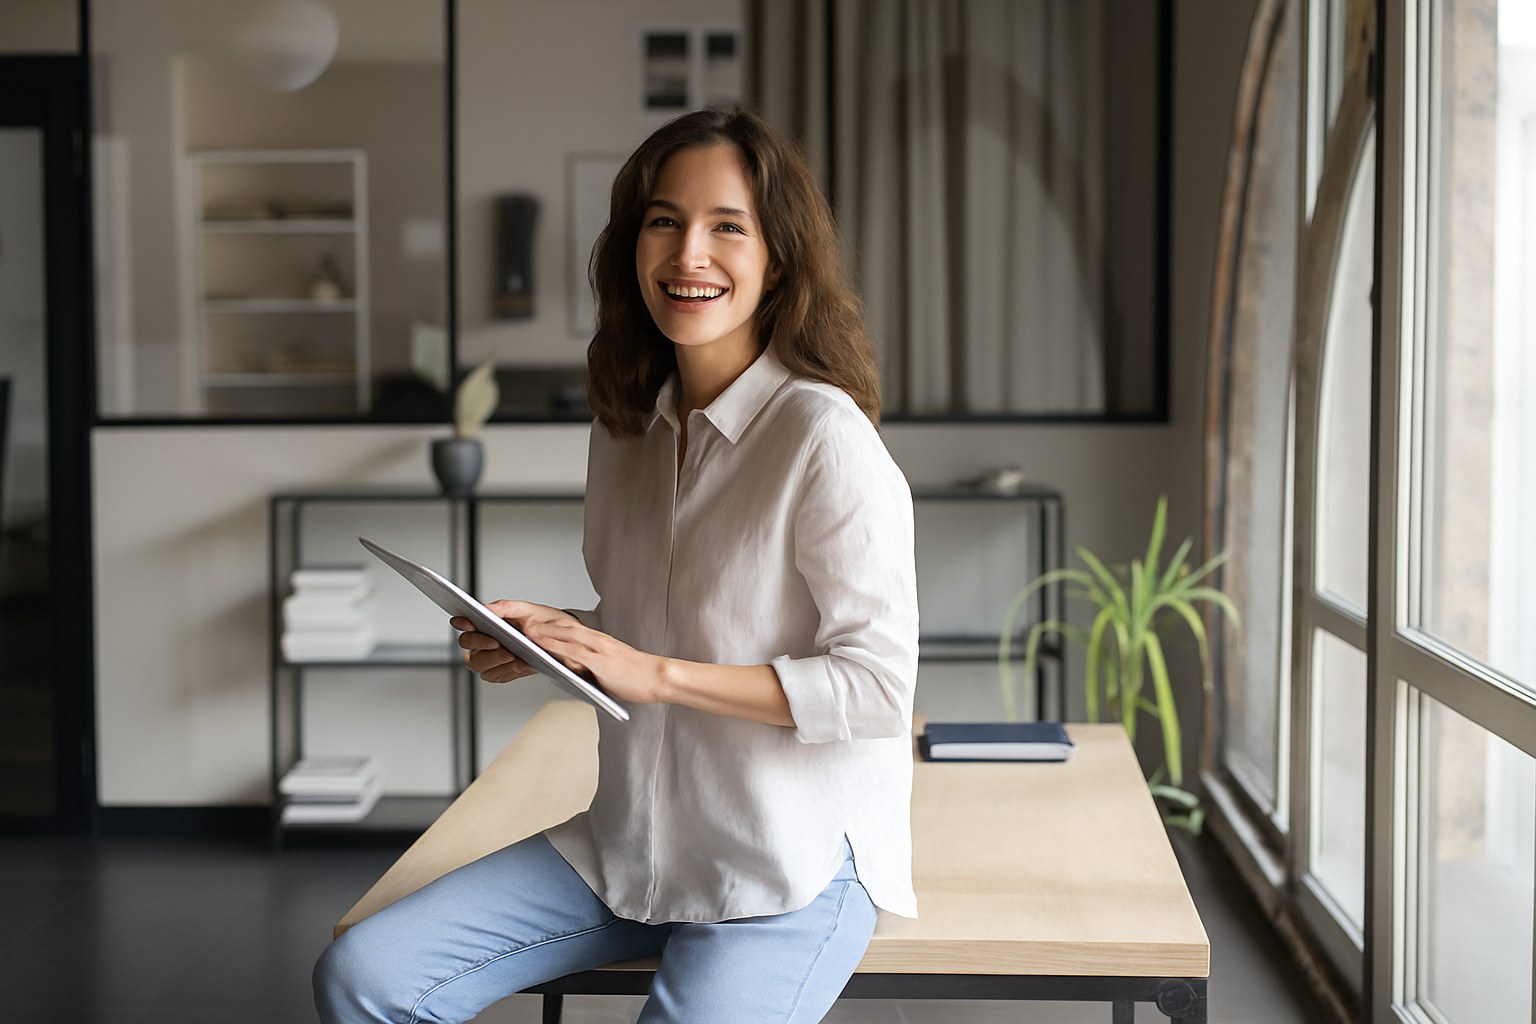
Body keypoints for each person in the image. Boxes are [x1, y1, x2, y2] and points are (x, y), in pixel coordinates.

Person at [313, 106, 919, 1024]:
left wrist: (653, 673)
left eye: (728, 226)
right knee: (362, 977)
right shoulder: (625, 429)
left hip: (788, 862)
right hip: (632, 842)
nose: (689, 254)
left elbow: (876, 687)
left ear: (779, 259)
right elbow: (652, 623)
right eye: (664, 220)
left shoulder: (823, 436)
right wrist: (560, 640)